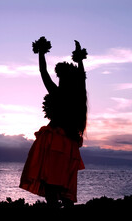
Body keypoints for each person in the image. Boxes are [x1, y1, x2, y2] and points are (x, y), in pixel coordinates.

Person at [19, 36, 87, 208]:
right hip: (69, 145)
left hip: (56, 142)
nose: (59, 80)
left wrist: (41, 53)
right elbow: (82, 80)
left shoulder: (59, 94)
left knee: (51, 185)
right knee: (65, 187)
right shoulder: (78, 99)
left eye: (61, 78)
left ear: (65, 80)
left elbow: (43, 73)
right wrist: (79, 61)